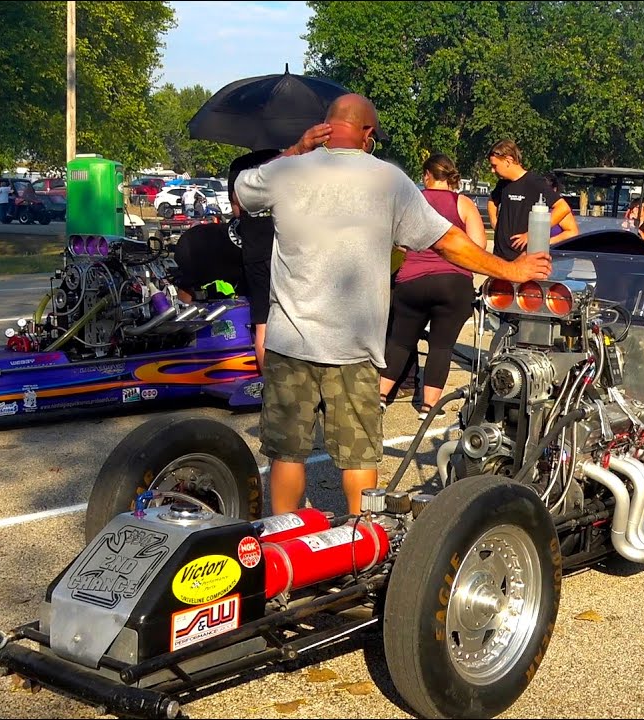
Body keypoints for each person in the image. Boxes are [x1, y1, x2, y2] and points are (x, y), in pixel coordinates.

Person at [233, 93, 551, 516]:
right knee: (359, 457)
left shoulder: (287, 171)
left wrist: (295, 150)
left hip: (291, 342)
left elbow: (242, 191)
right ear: (367, 134)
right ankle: (357, 540)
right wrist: (511, 271)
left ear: (325, 127)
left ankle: (280, 537)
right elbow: (449, 242)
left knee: (287, 455)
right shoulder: (388, 180)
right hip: (356, 346)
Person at [380, 153, 487, 420]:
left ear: (427, 175)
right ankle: (428, 407)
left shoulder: (412, 201)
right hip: (453, 282)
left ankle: (381, 396)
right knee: (441, 346)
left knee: (400, 342)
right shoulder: (464, 204)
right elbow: (478, 245)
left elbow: (397, 241)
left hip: (413, 280)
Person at [226, 148, 281, 371]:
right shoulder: (281, 161)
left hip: (254, 251)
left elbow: (236, 211)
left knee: (263, 323)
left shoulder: (239, 167)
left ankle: (268, 383)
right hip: (281, 247)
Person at [486, 140, 578, 260]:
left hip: (524, 258)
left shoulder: (534, 182)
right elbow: (492, 201)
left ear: (508, 161)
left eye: (495, 166)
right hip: (499, 256)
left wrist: (533, 233)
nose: (492, 171)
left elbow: (563, 208)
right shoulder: (503, 183)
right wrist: (494, 221)